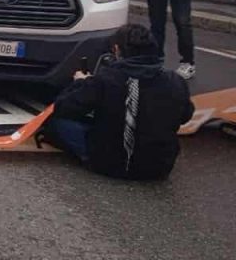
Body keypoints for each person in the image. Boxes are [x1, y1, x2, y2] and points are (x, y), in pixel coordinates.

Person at [45, 24, 195, 181]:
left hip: (109, 164)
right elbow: (185, 116)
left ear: (117, 50)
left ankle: (96, 154)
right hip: (159, 167)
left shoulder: (106, 78)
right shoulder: (175, 81)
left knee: (58, 122)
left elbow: (63, 108)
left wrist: (81, 83)